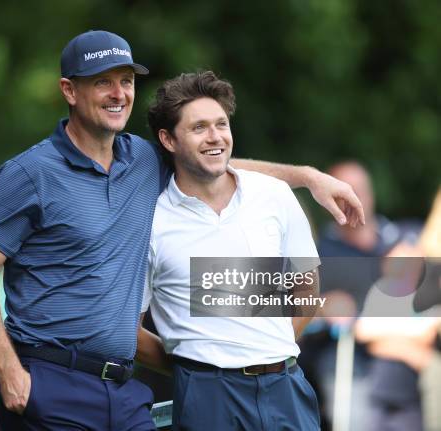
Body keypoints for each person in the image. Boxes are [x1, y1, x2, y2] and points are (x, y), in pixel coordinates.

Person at [0, 30, 363, 430]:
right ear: (69, 90)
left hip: (121, 388)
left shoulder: (142, 159)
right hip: (50, 376)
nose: (119, 93)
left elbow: (212, 161)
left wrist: (306, 177)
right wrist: (8, 369)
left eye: (126, 82)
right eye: (103, 83)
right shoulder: (30, 173)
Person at [136, 71, 321, 430]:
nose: (215, 136)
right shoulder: (151, 220)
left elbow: (307, 291)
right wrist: (196, 368)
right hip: (208, 397)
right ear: (168, 139)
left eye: (221, 124)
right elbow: (128, 332)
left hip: (286, 386)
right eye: (199, 127)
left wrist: (265, 352)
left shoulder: (274, 195)